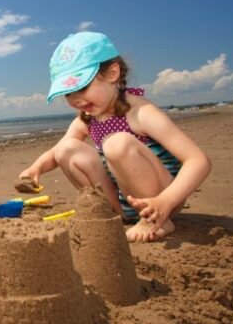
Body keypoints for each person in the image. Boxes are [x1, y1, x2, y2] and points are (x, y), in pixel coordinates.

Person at [19, 32, 211, 242]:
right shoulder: (88, 119)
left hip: (161, 200)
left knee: (117, 143)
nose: (76, 99)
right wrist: (35, 169)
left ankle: (157, 221)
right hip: (123, 201)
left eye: (82, 87)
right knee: (67, 149)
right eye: (68, 93)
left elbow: (198, 160)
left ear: (112, 73)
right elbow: (57, 152)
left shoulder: (140, 113)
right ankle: (109, 214)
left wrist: (165, 201)